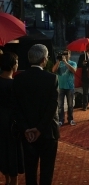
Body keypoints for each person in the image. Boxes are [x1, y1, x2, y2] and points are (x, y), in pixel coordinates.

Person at [12, 44, 60, 185]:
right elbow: (52, 108)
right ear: (44, 59)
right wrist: (39, 129)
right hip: (48, 133)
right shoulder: (52, 79)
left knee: (30, 173)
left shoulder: (19, 79)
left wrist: (26, 128)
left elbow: (16, 108)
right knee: (47, 173)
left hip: (27, 134)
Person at [0, 52, 24, 185]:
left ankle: (7, 179)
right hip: (12, 124)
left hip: (1, 122)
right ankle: (12, 182)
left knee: (2, 152)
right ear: (13, 65)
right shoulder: (15, 84)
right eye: (17, 62)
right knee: (13, 153)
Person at [52, 49, 77, 126]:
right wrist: (59, 61)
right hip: (61, 87)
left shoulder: (73, 63)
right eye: (64, 54)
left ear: (69, 55)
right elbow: (53, 70)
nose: (65, 55)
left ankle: (70, 119)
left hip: (70, 87)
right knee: (60, 105)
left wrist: (66, 62)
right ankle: (61, 120)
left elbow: (74, 71)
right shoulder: (59, 63)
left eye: (67, 54)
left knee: (70, 105)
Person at [77, 43, 89, 111]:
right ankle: (85, 105)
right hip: (85, 76)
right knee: (85, 92)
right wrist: (82, 64)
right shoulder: (82, 56)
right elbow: (78, 65)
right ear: (86, 50)